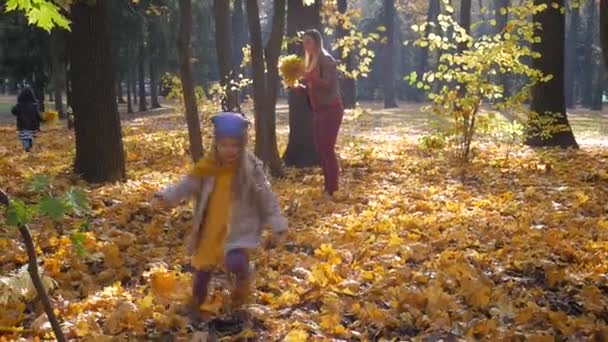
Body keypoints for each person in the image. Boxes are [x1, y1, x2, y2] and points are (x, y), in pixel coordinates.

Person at [154, 112, 288, 313]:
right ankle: (196, 306)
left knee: (235, 261)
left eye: (235, 145)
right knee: (201, 275)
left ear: (242, 145)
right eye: (224, 145)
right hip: (210, 229)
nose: (230, 150)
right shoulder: (207, 167)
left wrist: (277, 224)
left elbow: (266, 197)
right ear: (216, 144)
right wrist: (165, 197)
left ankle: (243, 278)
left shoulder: (250, 168)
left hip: (237, 229)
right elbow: (186, 185)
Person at [299, 29, 344, 198]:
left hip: (331, 109)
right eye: (304, 42)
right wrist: (299, 88)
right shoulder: (311, 61)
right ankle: (327, 187)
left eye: (308, 42)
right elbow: (313, 90)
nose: (306, 45)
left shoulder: (326, 59)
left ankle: (332, 189)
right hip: (319, 110)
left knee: (327, 148)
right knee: (321, 149)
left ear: (317, 42)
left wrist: (310, 78)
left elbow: (329, 85)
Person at [11, 87, 41, 152]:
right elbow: (37, 115)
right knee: (29, 137)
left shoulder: (19, 105)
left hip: (22, 125)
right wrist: (42, 119)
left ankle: (27, 148)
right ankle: (28, 147)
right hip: (32, 126)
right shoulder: (34, 105)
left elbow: (13, 111)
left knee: (25, 138)